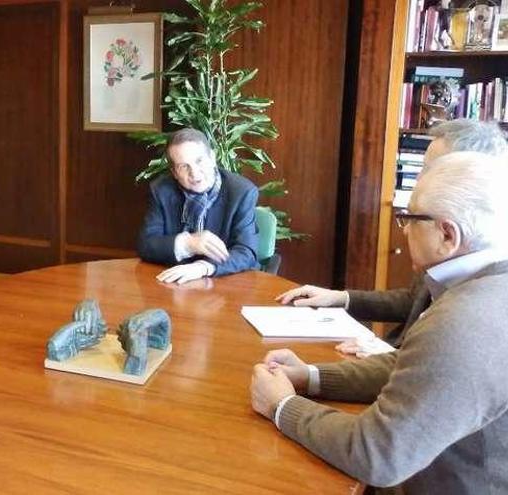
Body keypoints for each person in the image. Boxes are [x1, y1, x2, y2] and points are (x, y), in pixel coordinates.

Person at [251, 151, 508, 494]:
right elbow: (414, 366)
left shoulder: (466, 320)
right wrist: (310, 377)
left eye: (411, 217)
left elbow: (377, 455)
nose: (404, 229)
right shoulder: (486, 287)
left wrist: (282, 406)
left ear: (448, 234)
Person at [276, 119, 507, 353]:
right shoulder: (451, 250)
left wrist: (389, 356)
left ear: (471, 173)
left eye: (430, 168)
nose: (419, 178)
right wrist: (341, 298)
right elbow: (414, 299)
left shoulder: (487, 285)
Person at [137, 128, 259, 284]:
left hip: (226, 283)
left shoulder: (241, 192)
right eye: (184, 166)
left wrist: (203, 267)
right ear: (174, 172)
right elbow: (146, 245)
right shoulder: (161, 190)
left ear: (213, 158)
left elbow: (246, 252)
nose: (194, 173)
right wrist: (188, 244)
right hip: (175, 285)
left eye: (199, 161)